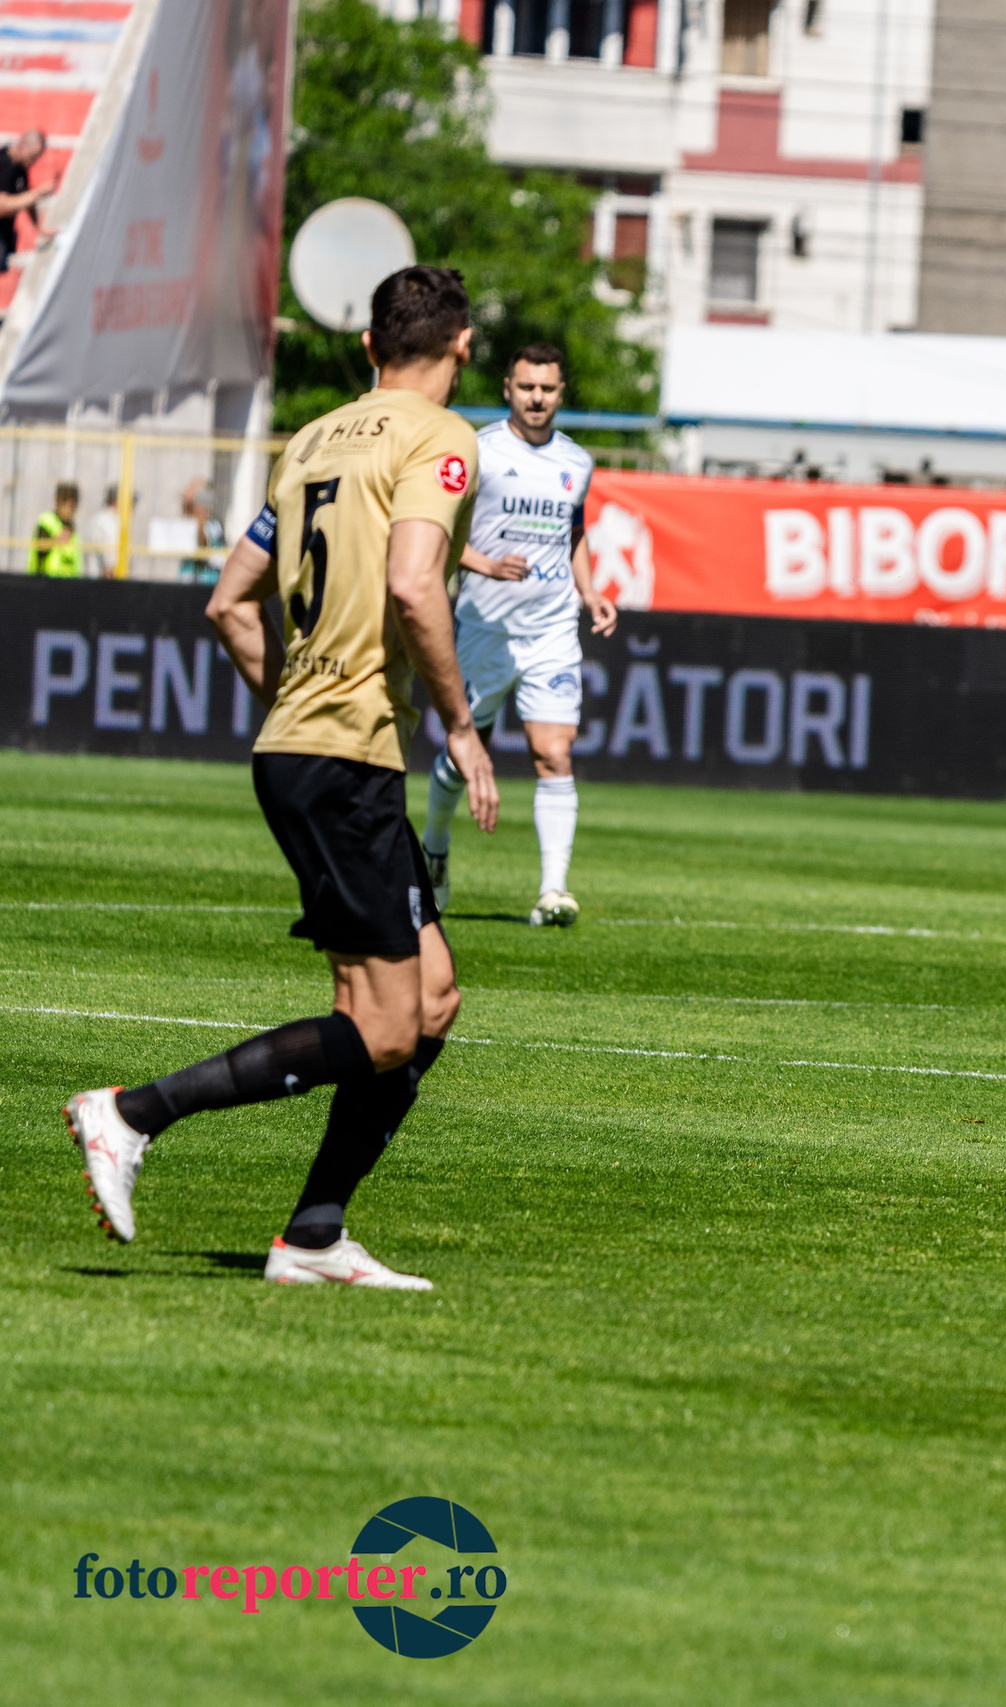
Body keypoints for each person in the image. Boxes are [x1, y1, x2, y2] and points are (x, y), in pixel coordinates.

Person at [61, 265, 497, 1290]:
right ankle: (130, 1114)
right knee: (383, 1026)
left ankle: (313, 1237)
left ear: (367, 347)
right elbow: (412, 580)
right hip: (343, 754)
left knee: (431, 1001)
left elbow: (227, 603)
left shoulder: (313, 440)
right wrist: (462, 727)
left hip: (314, 744)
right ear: (464, 345)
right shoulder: (441, 439)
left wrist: (294, 705)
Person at [421, 342, 610, 927]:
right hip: (484, 628)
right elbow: (440, 531)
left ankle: (553, 890)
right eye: (527, 387)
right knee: (461, 757)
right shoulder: (476, 452)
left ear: (560, 393)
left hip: (552, 630)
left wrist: (589, 589)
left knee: (554, 753)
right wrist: (484, 565)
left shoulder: (577, 463)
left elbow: (572, 533)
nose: (537, 398)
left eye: (548, 389)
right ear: (508, 387)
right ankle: (433, 848)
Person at [0, 129, 50, 269]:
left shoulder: (20, 169)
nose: (34, 161)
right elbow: (2, 206)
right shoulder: (4, 164)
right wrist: (38, 193)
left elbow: (25, 194)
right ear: (22, 145)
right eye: (33, 156)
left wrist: (40, 228)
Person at [32, 480, 80, 577]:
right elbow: (40, 550)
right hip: (45, 585)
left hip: (70, 587)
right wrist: (55, 541)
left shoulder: (72, 527)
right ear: (57, 501)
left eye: (73, 503)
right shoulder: (47, 521)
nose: (70, 507)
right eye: (65, 501)